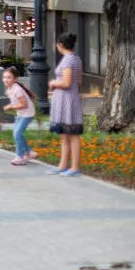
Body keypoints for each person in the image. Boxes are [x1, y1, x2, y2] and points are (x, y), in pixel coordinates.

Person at [48, 32, 83, 176]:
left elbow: (67, 82)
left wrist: (53, 83)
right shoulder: (76, 59)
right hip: (69, 98)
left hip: (67, 100)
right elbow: (78, 82)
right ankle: (63, 165)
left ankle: (74, 168)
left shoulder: (68, 60)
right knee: (65, 134)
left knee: (72, 134)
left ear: (60, 45)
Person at [2, 67, 37, 166]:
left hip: (27, 114)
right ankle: (29, 152)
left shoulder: (17, 90)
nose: (6, 80)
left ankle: (20, 156)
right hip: (21, 113)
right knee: (17, 134)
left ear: (15, 79)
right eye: (4, 77)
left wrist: (10, 107)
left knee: (17, 134)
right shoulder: (10, 89)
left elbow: (24, 105)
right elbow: (16, 102)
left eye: (9, 77)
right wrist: (11, 105)